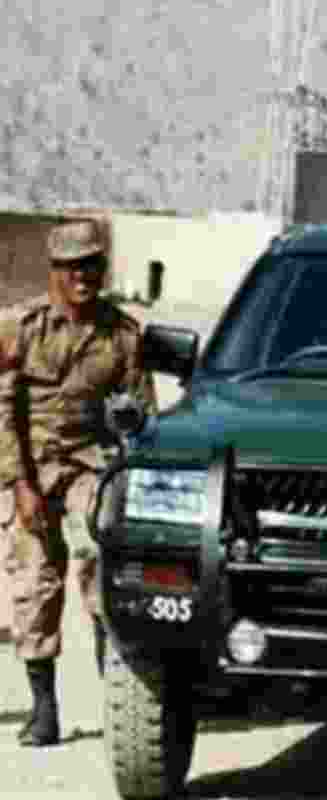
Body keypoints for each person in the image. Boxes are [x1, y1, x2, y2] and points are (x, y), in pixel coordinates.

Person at [0, 218, 157, 747]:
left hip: (92, 465)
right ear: (55, 272)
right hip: (31, 464)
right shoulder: (19, 326)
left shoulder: (123, 334)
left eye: (92, 264)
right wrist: (20, 483)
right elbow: (2, 412)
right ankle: (44, 710)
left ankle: (118, 702)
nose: (83, 276)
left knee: (100, 566)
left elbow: (141, 416)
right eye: (72, 267)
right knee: (34, 583)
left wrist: (128, 472)